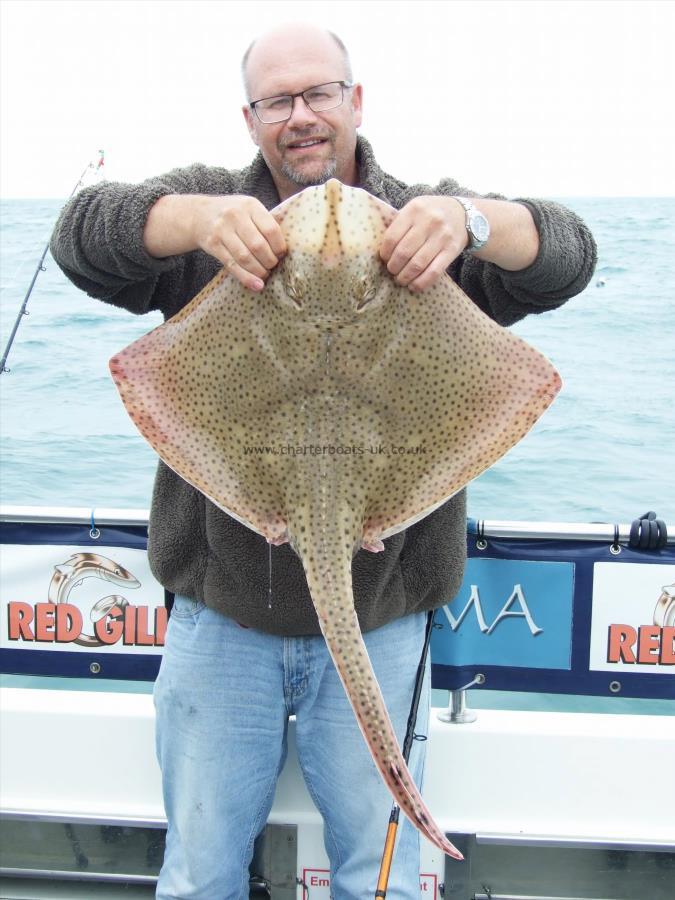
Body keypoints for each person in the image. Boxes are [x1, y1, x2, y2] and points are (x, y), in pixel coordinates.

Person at [50, 23, 597, 900]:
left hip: (379, 620)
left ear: (354, 100)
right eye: (277, 101)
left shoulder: (426, 217)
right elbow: (80, 237)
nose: (300, 116)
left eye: (318, 94)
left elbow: (568, 257)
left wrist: (470, 223)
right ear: (250, 118)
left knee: (378, 881)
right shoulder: (206, 213)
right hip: (219, 622)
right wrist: (196, 222)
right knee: (198, 876)